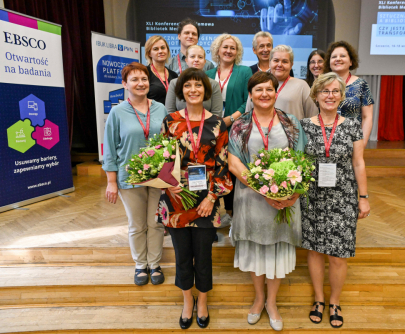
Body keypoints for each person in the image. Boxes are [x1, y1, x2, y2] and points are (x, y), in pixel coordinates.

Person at [228, 71, 307, 331]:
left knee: (276, 250)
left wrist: (291, 192)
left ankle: (272, 302)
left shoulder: (291, 122)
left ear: (276, 93)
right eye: (258, 89)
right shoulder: (241, 124)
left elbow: (301, 158)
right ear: (250, 94)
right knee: (255, 250)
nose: (264, 94)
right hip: (251, 198)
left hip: (284, 199)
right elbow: (234, 162)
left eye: (269, 89)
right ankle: (258, 298)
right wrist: (264, 190)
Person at [156, 68, 233, 329]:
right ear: (181, 92)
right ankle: (187, 300)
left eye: (198, 86)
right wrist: (168, 183)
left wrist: (212, 198)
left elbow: (223, 164)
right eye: (187, 85)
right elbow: (161, 158)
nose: (193, 90)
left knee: (203, 254)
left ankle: (203, 301)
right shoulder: (170, 121)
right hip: (176, 198)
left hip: (206, 200)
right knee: (181, 254)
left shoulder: (218, 123)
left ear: (206, 90)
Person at [299, 72, 370, 328]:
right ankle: (318, 299)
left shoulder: (352, 125)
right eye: (325, 91)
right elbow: (298, 162)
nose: (330, 96)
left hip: (344, 196)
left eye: (335, 91)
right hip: (312, 196)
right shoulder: (304, 126)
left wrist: (364, 197)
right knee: (316, 250)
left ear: (341, 96)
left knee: (339, 255)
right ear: (315, 95)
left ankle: (334, 301)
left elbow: (359, 162)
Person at [102, 62, 168, 286]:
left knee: (156, 222)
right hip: (129, 177)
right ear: (125, 84)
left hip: (158, 176)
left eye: (144, 79)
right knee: (137, 224)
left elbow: (169, 142)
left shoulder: (160, 108)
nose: (141, 83)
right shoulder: (117, 112)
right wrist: (111, 182)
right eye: (135, 80)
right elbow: (110, 148)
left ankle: (154, 262)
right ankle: (141, 264)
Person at [206, 34, 252, 228]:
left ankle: (235, 216)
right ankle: (216, 214)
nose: (228, 51)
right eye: (225, 47)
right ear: (217, 50)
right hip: (212, 130)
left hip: (236, 129)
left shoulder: (244, 72)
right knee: (215, 169)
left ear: (237, 52)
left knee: (233, 170)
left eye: (233, 48)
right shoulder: (207, 74)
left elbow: (248, 100)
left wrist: (230, 118)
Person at [245, 45, 317, 121]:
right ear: (269, 63)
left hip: (293, 132)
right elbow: (247, 116)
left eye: (285, 61)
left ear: (291, 65)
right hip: (260, 132)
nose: (279, 65)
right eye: (276, 60)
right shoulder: (257, 84)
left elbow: (313, 118)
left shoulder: (301, 86)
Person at [323, 41, 374, 147]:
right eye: (334, 57)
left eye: (343, 56)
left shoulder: (361, 84)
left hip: (351, 142)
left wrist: (362, 144)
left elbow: (367, 117)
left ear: (351, 61)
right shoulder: (322, 84)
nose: (338, 59)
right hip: (324, 141)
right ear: (329, 62)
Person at [165, 45, 223, 117]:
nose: (196, 60)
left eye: (200, 57)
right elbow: (170, 112)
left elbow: (217, 114)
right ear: (186, 60)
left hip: (208, 127)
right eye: (192, 56)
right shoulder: (174, 83)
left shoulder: (213, 84)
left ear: (205, 61)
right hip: (179, 126)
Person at [144, 35, 178, 104]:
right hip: (152, 113)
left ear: (167, 50)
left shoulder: (174, 75)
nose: (160, 51)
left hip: (172, 114)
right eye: (156, 49)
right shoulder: (144, 73)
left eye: (163, 48)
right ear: (149, 53)